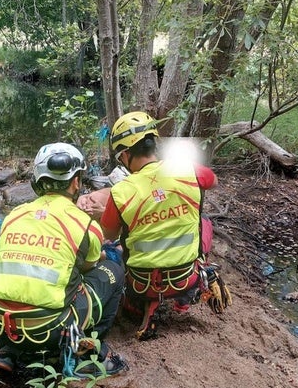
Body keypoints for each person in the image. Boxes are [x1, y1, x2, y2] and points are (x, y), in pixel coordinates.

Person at [0, 142, 128, 376]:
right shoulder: (85, 223)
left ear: (37, 181)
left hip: (1, 323)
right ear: (76, 182)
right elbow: (90, 266)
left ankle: (8, 351)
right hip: (48, 330)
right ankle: (88, 348)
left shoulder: (13, 215)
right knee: (112, 269)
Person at [99, 111, 232, 340]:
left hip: (141, 285)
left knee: (112, 251)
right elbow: (213, 181)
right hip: (184, 278)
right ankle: (196, 286)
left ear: (126, 154)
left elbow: (108, 234)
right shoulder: (186, 170)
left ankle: (143, 307)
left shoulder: (121, 191)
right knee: (204, 221)